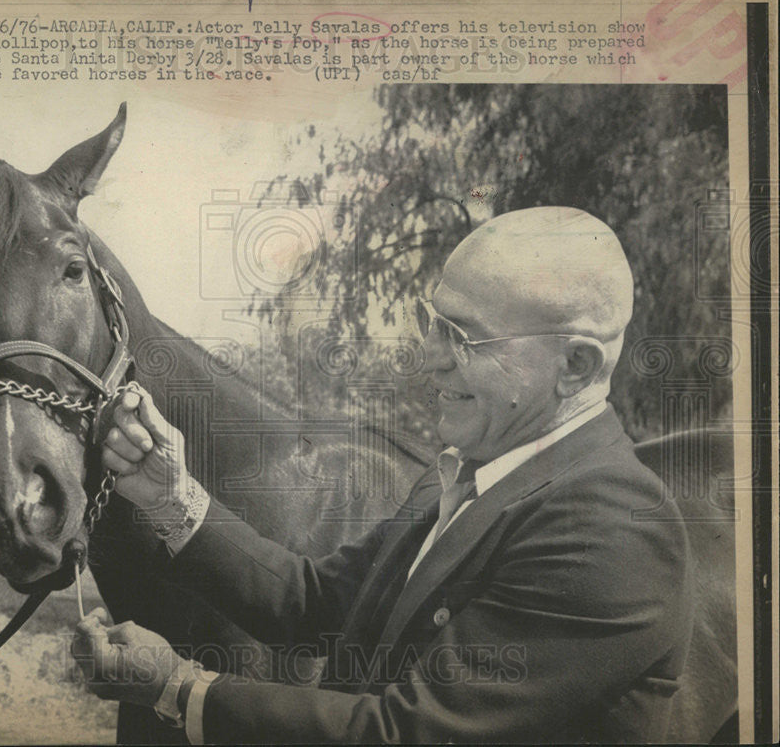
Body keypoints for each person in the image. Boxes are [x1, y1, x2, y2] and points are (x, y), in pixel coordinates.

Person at [72, 206, 694, 743]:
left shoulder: (611, 528)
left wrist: (179, 689)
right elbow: (317, 603)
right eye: (433, 323)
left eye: (463, 339)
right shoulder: (461, 474)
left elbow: (409, 731)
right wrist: (170, 497)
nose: (430, 359)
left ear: (575, 367)